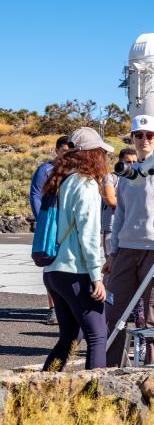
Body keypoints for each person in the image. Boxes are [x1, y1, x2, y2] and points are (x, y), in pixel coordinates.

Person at [104, 115, 154, 366]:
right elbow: (120, 216)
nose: (144, 140)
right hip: (126, 251)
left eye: (150, 135)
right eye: (139, 135)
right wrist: (113, 252)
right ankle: (110, 366)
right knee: (115, 312)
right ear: (132, 138)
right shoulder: (129, 173)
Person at [42, 127, 114, 370]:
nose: (105, 158)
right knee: (97, 335)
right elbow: (89, 235)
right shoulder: (84, 185)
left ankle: (41, 391)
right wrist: (97, 277)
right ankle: (96, 400)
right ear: (92, 154)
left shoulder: (60, 181)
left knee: (70, 336)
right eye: (102, 152)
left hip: (53, 270)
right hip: (76, 271)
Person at [30, 135, 70, 325]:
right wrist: (43, 221)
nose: (65, 156)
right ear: (56, 151)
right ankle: (53, 308)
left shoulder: (74, 171)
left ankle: (69, 306)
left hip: (69, 225)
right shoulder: (45, 170)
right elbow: (36, 194)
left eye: (69, 152)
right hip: (51, 223)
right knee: (50, 263)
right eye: (63, 152)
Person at [101, 148, 137, 259]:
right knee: (112, 265)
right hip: (112, 229)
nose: (131, 165)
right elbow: (111, 199)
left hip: (132, 229)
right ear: (120, 162)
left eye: (134, 162)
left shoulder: (138, 178)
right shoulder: (110, 177)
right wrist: (135, 208)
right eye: (128, 162)